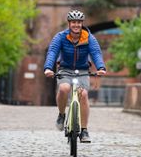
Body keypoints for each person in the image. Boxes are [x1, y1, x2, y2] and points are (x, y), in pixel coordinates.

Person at [44, 9, 106, 143]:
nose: (76, 25)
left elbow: (95, 53)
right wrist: (48, 68)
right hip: (65, 69)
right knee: (64, 89)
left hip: (82, 70)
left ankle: (84, 130)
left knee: (83, 95)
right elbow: (52, 52)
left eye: (78, 22)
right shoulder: (60, 37)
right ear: (69, 23)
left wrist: (101, 67)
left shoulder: (88, 38)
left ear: (82, 23)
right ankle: (61, 114)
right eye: (73, 22)